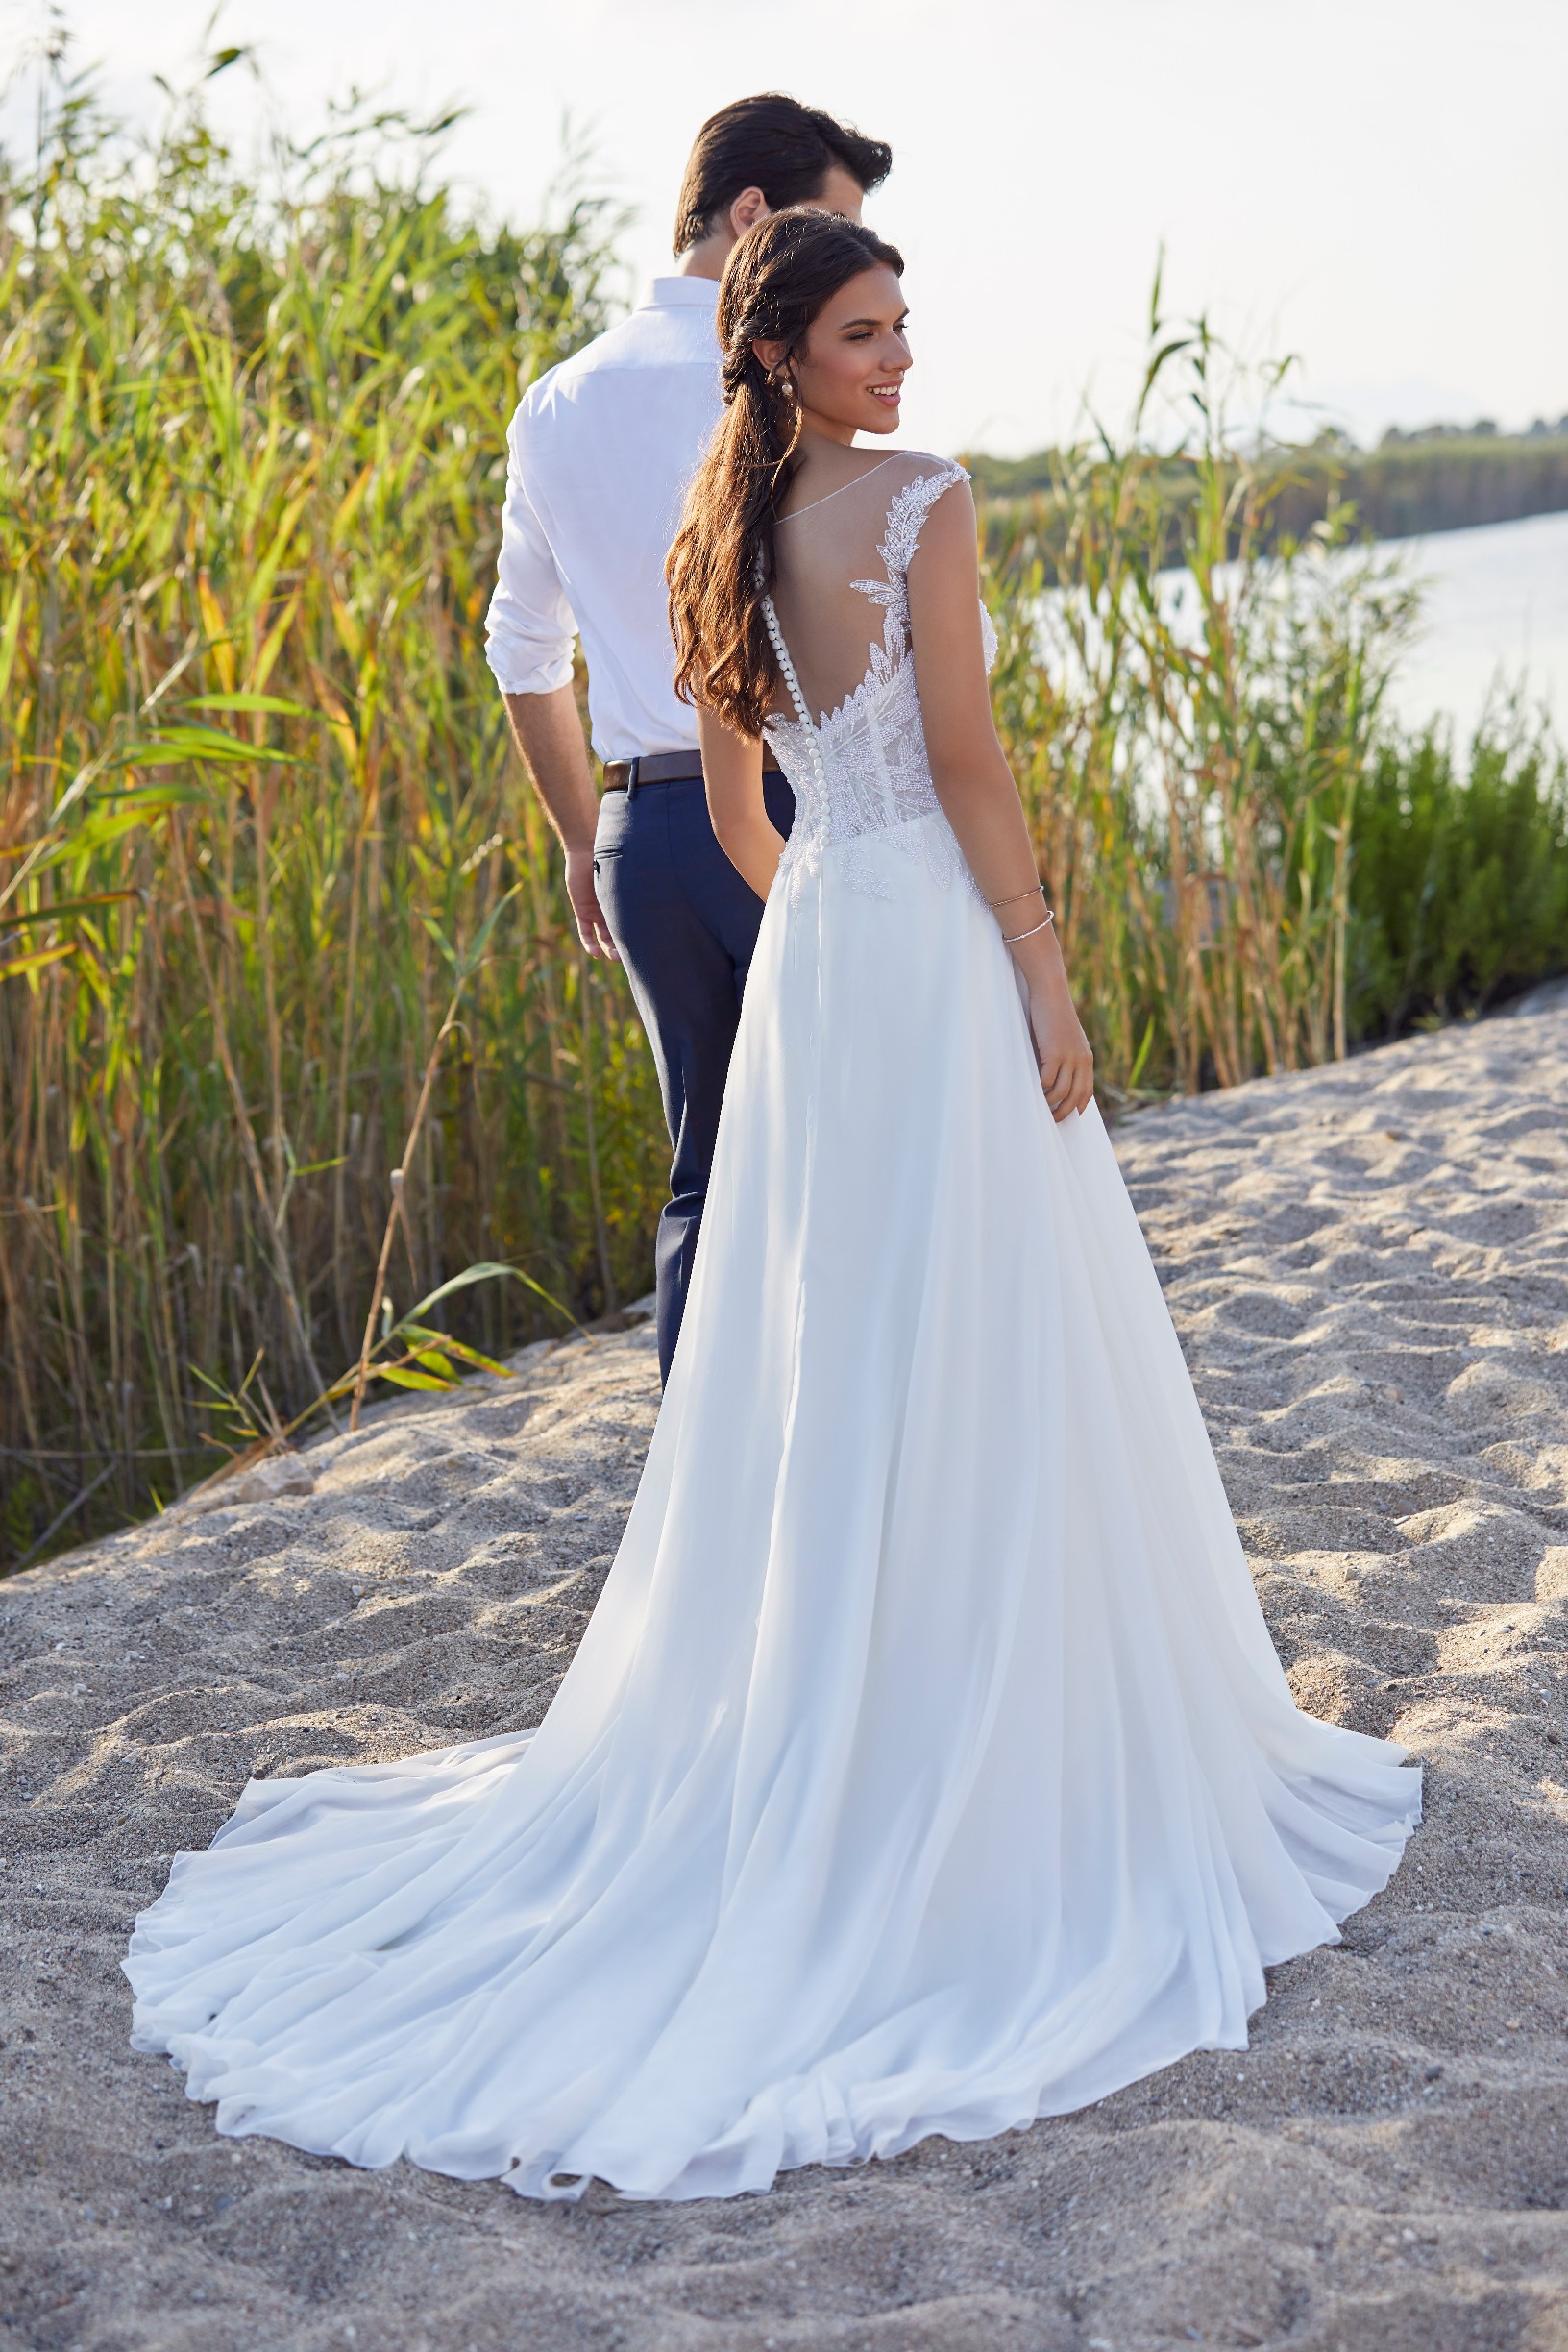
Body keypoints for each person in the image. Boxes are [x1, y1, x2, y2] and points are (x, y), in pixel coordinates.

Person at [125, 212, 1420, 2205]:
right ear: (792, 348)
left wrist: (823, 884)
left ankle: (853, 1693)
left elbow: (743, 811)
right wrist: (1045, 961)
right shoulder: (924, 508)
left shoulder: (718, 524)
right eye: (866, 331)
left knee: (848, 1334)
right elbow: (974, 764)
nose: (900, 360)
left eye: (905, 329)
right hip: (919, 946)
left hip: (827, 950)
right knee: (976, 1315)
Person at [484, 94, 891, 1383]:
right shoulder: (769, 374)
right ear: (753, 214)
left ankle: (698, 1490)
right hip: (785, 808)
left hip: (638, 839)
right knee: (852, 1141)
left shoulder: (552, 403)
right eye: (828, 226)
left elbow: (520, 651)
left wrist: (574, 841)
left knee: (705, 1166)